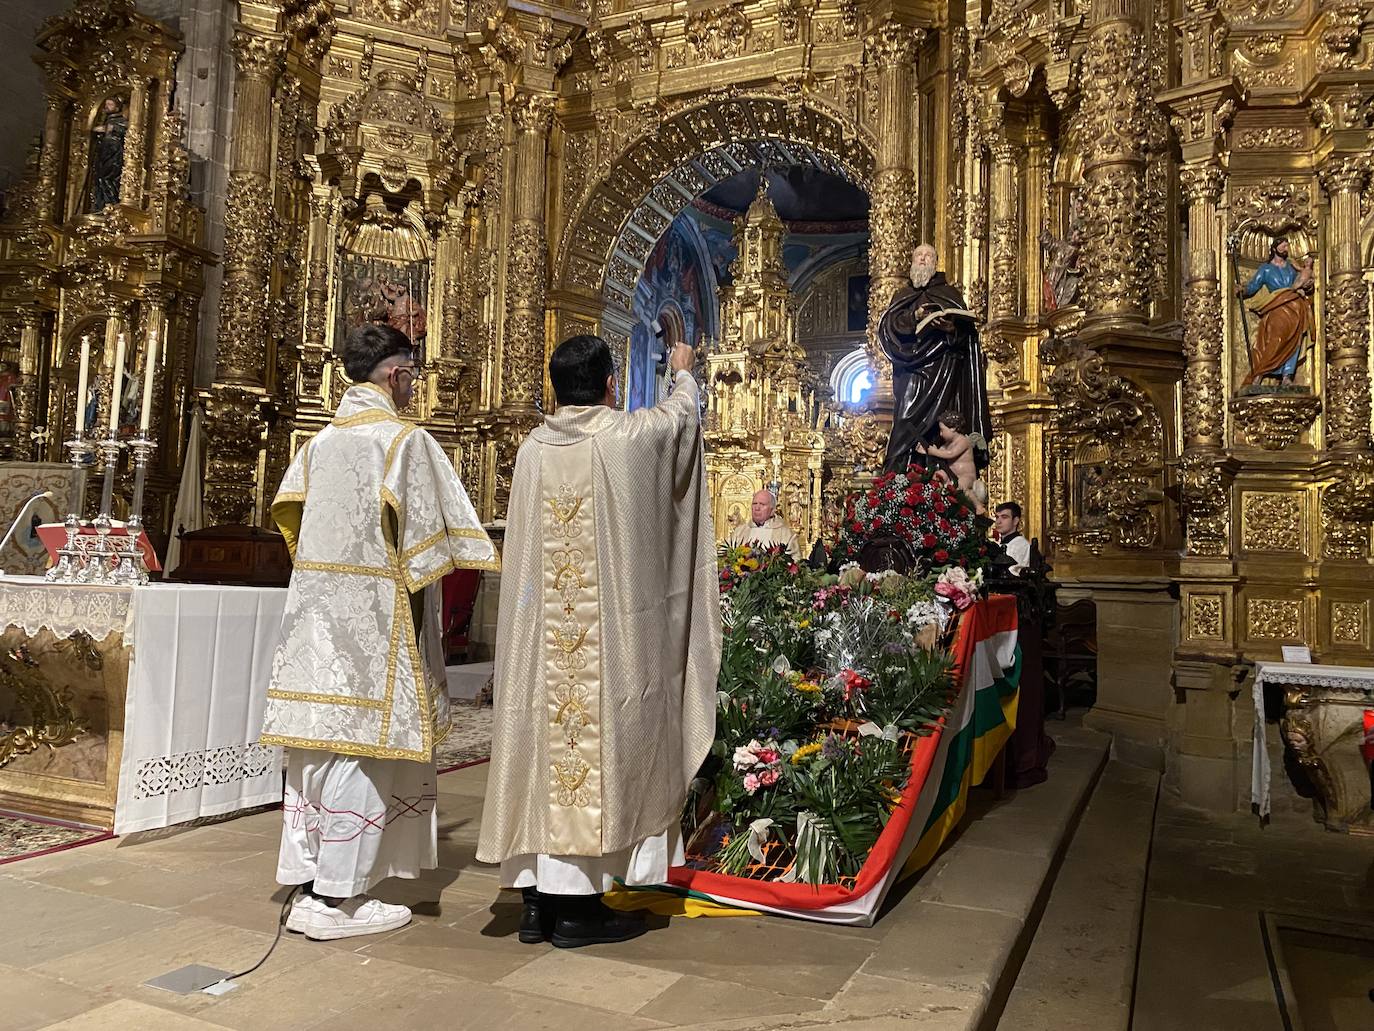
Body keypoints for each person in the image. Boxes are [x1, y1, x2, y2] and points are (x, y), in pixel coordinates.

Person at [477, 335, 721, 949]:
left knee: (541, 749)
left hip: (542, 642)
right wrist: (682, 373)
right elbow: (680, 421)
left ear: (556, 387)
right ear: (610, 382)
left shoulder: (532, 448)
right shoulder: (624, 437)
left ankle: (534, 903)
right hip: (606, 647)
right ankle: (577, 911)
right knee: (598, 751)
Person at [259, 323, 499, 941]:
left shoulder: (316, 446)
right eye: (412, 375)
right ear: (395, 375)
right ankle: (339, 900)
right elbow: (434, 548)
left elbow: (290, 517)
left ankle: (311, 881)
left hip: (315, 618)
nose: (415, 385)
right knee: (364, 755)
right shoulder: (402, 443)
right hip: (377, 623)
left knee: (316, 748)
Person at [878, 244, 992, 474]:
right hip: (910, 369)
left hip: (944, 370)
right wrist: (914, 317)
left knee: (940, 426)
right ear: (912, 261)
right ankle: (896, 478)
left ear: (935, 262)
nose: (923, 259)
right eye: (919, 255)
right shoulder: (901, 295)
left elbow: (966, 337)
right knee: (905, 422)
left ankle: (934, 480)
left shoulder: (949, 294)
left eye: (928, 255)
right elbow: (889, 328)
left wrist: (951, 328)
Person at [1236, 237, 1314, 388]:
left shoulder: (1291, 266)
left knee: (1295, 342)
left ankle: (1287, 377)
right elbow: (1253, 286)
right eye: (1283, 246)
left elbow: (1302, 281)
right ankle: (1259, 373)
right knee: (1275, 341)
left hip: (1296, 307)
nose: (1286, 249)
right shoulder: (1266, 269)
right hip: (1277, 307)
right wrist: (1243, 290)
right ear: (1274, 248)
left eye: (1287, 246)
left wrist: (1309, 286)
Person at [916, 409, 988, 514]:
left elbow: (950, 454)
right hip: (951, 474)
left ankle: (978, 506)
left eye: (942, 430)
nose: (940, 434)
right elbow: (940, 452)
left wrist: (933, 451)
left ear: (953, 428)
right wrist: (926, 451)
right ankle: (937, 500)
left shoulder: (963, 441)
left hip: (966, 476)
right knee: (938, 474)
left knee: (961, 486)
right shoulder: (948, 444)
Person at [726, 488, 801, 560]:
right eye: (754, 504)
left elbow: (795, 562)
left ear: (772, 510)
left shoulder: (786, 535)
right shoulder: (739, 532)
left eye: (762, 504)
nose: (757, 508)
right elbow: (724, 556)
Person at [993, 501, 1031, 576]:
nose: (998, 522)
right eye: (997, 517)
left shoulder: (1022, 545)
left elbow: (1014, 573)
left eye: (1004, 517)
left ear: (1015, 521)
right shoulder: (996, 544)